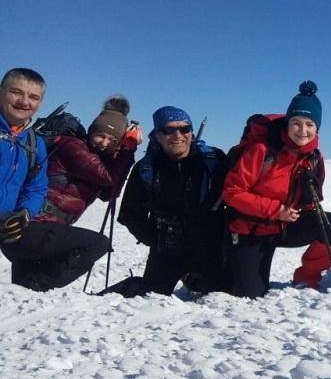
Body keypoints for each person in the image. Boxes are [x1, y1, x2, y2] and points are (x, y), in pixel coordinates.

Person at [224, 81, 331, 297]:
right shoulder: (262, 150)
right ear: (287, 123)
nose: (303, 131)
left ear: (317, 128)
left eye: (310, 124)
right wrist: (276, 210)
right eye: (296, 123)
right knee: (250, 294)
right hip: (251, 229)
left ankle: (307, 278)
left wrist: (306, 201)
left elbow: (311, 200)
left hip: (283, 227)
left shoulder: (314, 157)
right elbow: (232, 192)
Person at [5, 96, 142, 291]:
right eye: (101, 136)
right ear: (92, 131)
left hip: (39, 231)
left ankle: (32, 289)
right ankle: (39, 284)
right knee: (97, 244)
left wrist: (121, 154)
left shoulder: (96, 158)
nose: (104, 143)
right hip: (31, 226)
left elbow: (109, 193)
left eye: (112, 140)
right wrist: (127, 150)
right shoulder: (73, 147)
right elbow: (108, 177)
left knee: (23, 294)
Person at [115, 105, 230, 296]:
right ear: (157, 135)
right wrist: (154, 238)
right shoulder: (146, 168)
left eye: (184, 129)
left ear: (192, 132)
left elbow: (236, 195)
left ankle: (194, 279)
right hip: (167, 250)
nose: (178, 136)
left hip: (210, 248)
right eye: (168, 130)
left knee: (221, 295)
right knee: (150, 296)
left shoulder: (214, 160)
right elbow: (130, 213)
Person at [0, 68, 50, 281]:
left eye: (33, 97)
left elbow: (36, 187)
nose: (24, 102)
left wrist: (25, 213)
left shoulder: (34, 143)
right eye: (16, 92)